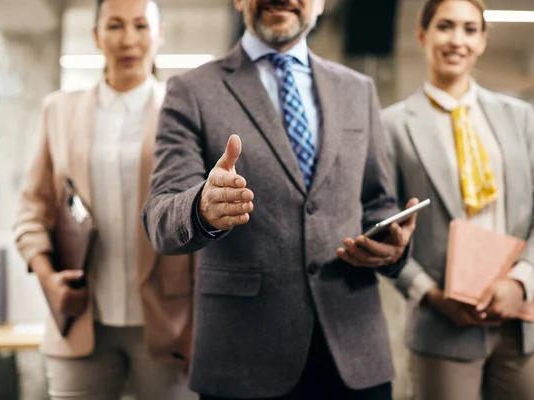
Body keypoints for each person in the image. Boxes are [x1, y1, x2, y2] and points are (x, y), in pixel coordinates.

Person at [141, 0, 420, 399]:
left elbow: (377, 200)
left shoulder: (359, 90)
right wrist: (202, 208)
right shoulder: (190, 91)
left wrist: (392, 242)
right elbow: (159, 216)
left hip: (354, 349)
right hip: (242, 355)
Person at [382, 1, 534, 399]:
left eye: (470, 30)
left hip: (525, 321)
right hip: (443, 322)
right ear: (423, 35)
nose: (457, 40)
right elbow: (380, 221)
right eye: (445, 26)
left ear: (483, 40)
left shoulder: (518, 116)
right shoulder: (392, 125)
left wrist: (521, 281)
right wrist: (430, 294)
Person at [13, 0, 196, 399]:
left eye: (140, 26)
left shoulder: (184, 112)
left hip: (170, 323)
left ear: (159, 34)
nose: (128, 39)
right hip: (80, 322)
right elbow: (31, 212)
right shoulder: (58, 111)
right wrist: (48, 280)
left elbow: (200, 219)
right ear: (96, 36)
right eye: (114, 26)